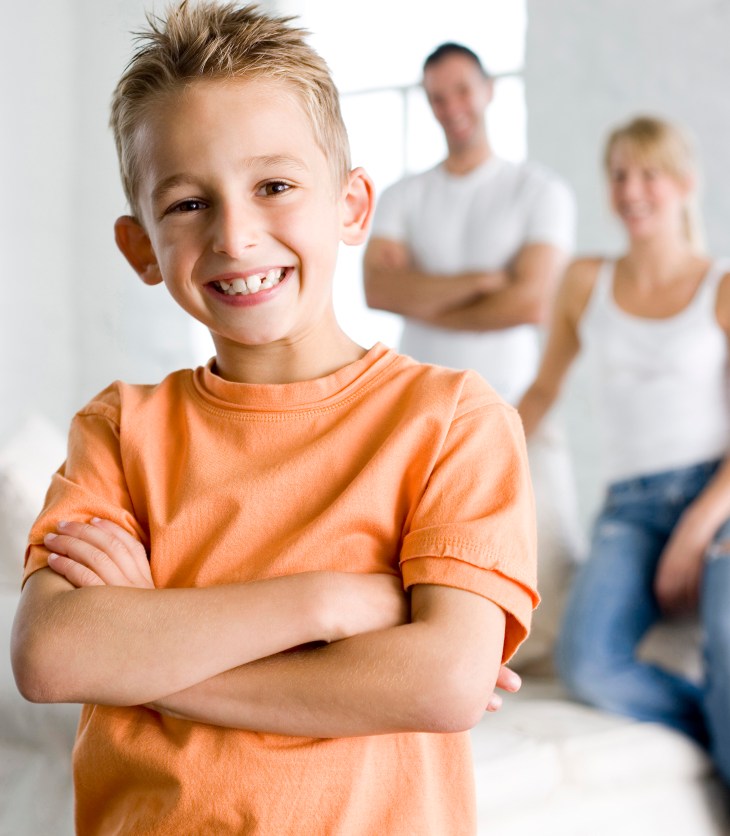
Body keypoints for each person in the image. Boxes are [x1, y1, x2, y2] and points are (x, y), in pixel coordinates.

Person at [10, 4, 538, 834]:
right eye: (187, 203)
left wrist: (148, 659)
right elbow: (50, 655)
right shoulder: (117, 429)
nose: (236, 233)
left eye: (275, 186)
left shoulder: (453, 421)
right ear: (140, 245)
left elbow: (442, 680)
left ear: (353, 206)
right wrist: (329, 605)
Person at [518, 115, 730, 787]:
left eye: (650, 174)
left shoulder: (721, 287)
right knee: (588, 663)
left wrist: (697, 529)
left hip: (717, 499)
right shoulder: (586, 282)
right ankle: (717, 730)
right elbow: (545, 388)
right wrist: (466, 453)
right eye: (619, 175)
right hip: (630, 510)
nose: (632, 190)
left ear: (685, 185)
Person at [363, 42, 582, 666]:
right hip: (426, 406)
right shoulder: (405, 195)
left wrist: (424, 294)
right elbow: (378, 290)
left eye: (461, 90)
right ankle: (460, 667)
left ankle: (542, 677)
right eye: (437, 96)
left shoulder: (536, 191)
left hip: (517, 402)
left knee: (545, 548)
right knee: (431, 549)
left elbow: (530, 303)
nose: (451, 107)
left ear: (486, 91)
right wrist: (484, 278)